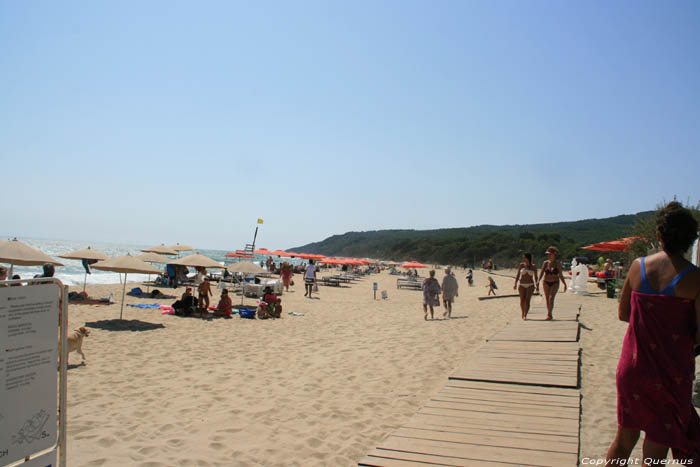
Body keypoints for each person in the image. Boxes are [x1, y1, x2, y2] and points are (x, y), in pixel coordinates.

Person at [606, 201, 700, 464]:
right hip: (670, 373)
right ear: (691, 239)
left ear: (659, 237)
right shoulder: (694, 278)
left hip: (633, 368)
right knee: (656, 449)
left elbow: (624, 314)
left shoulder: (638, 267)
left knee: (624, 440)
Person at [538, 246, 567, 320]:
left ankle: (549, 314)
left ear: (554, 254)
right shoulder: (545, 263)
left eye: (550, 254)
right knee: (547, 298)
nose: (548, 255)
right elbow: (541, 273)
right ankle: (549, 313)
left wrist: (564, 284)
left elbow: (560, 274)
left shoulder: (557, 264)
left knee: (551, 298)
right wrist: (538, 281)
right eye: (548, 254)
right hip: (546, 282)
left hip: (555, 282)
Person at [514, 253, 539, 320]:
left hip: (530, 285)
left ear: (528, 258)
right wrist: (515, 283)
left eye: (524, 258)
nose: (523, 259)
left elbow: (536, 277)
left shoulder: (533, 266)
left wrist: (537, 286)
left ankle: (525, 314)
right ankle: (522, 313)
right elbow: (518, 275)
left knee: (527, 300)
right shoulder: (521, 265)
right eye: (523, 258)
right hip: (522, 284)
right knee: (522, 300)